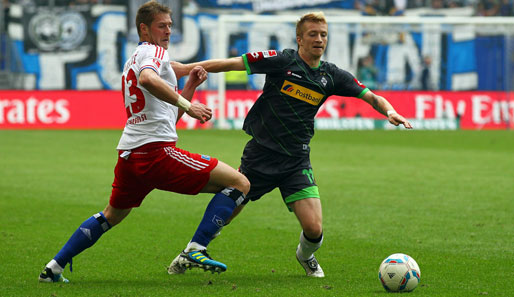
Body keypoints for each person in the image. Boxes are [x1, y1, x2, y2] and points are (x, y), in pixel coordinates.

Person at [168, 11, 412, 278]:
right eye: (313, 34)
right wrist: (186, 68)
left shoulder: (331, 76)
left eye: (323, 35)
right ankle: (190, 251)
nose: (319, 39)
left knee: (314, 228)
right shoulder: (282, 61)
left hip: (296, 160)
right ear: (300, 39)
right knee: (226, 212)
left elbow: (371, 96)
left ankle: (305, 256)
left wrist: (389, 111)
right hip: (261, 154)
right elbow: (232, 63)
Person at [38, 0, 249, 283]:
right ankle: (195, 249)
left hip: (130, 154)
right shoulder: (153, 52)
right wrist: (189, 105)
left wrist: (190, 87)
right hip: (155, 154)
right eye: (162, 26)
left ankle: (54, 267)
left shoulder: (135, 59)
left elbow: (166, 121)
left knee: (111, 215)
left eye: (170, 26)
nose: (168, 31)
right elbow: (149, 80)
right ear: (144, 29)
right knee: (240, 184)